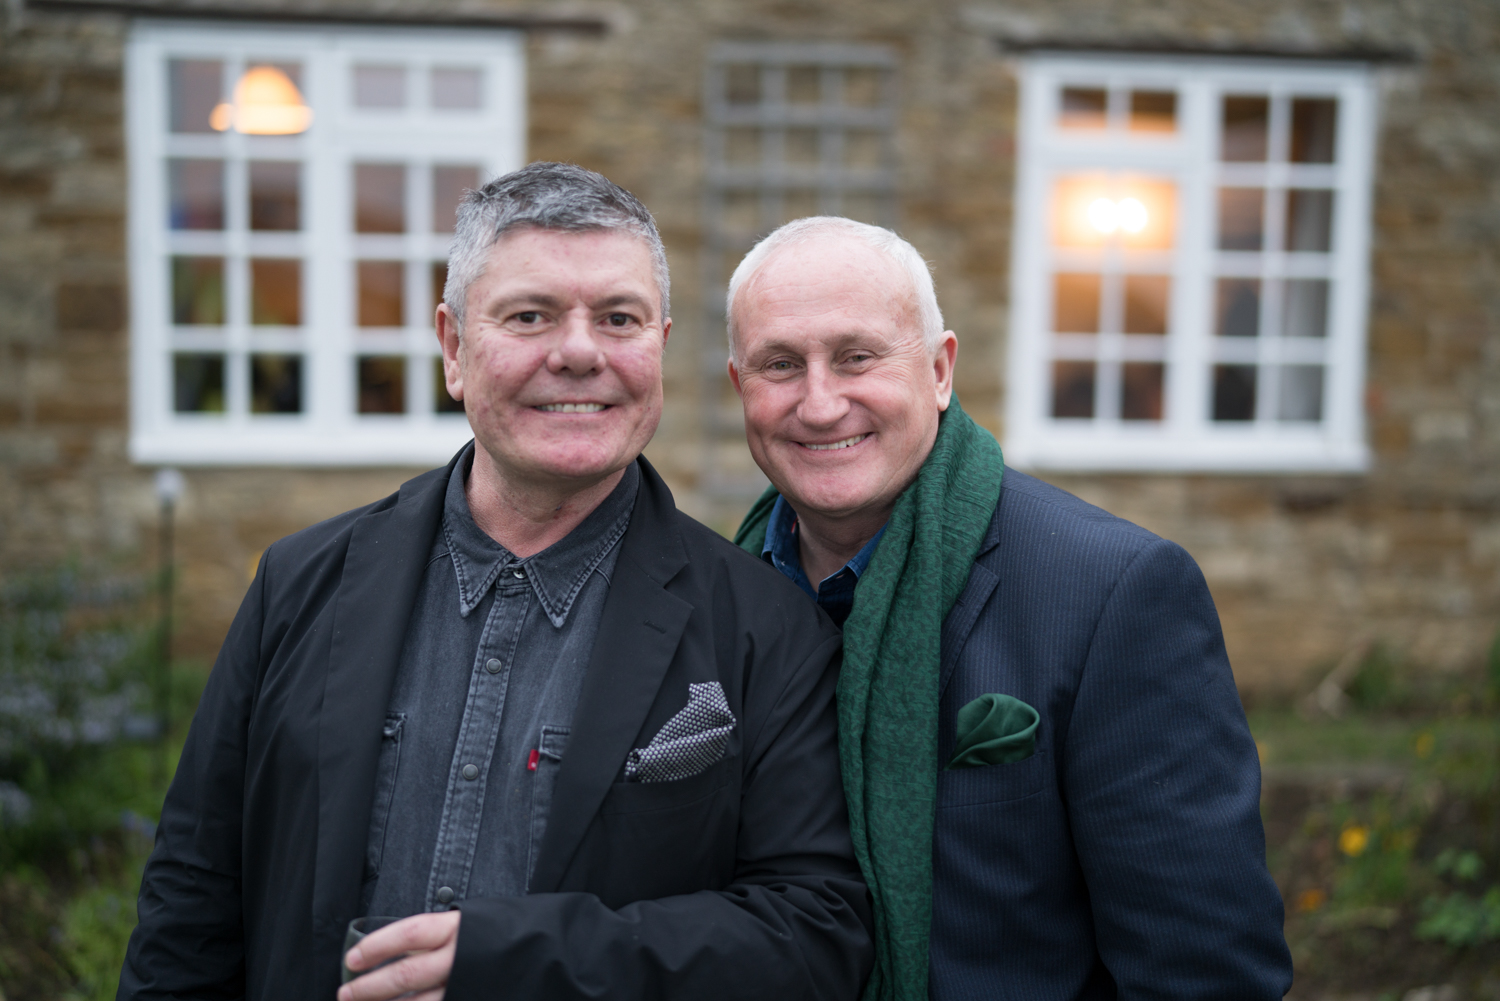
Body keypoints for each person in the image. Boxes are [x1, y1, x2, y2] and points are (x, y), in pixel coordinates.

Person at [118, 165, 873, 1001]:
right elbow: (192, 899)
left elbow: (812, 931)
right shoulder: (297, 584)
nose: (579, 351)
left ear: (657, 346)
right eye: (529, 315)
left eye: (617, 318)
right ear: (453, 347)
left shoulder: (768, 628)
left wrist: (529, 960)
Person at [726, 216, 1294, 1001]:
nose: (820, 404)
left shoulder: (1115, 593)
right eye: (782, 364)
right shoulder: (717, 598)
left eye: (857, 357)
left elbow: (1205, 971)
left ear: (939, 370)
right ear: (740, 388)